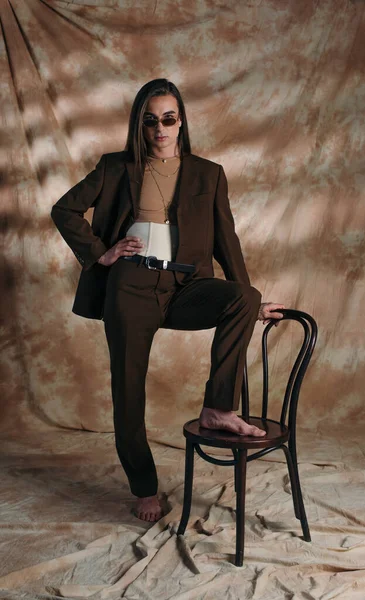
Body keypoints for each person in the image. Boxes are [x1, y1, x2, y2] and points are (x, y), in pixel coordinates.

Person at [51, 79, 285, 522]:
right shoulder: (115, 166)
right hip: (131, 287)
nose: (161, 128)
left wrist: (251, 301)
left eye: (169, 119)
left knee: (243, 298)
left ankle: (217, 408)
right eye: (151, 120)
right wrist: (102, 252)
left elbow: (226, 240)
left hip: (186, 286)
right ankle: (143, 487)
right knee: (128, 389)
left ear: (181, 122)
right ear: (140, 125)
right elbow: (64, 209)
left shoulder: (208, 173)